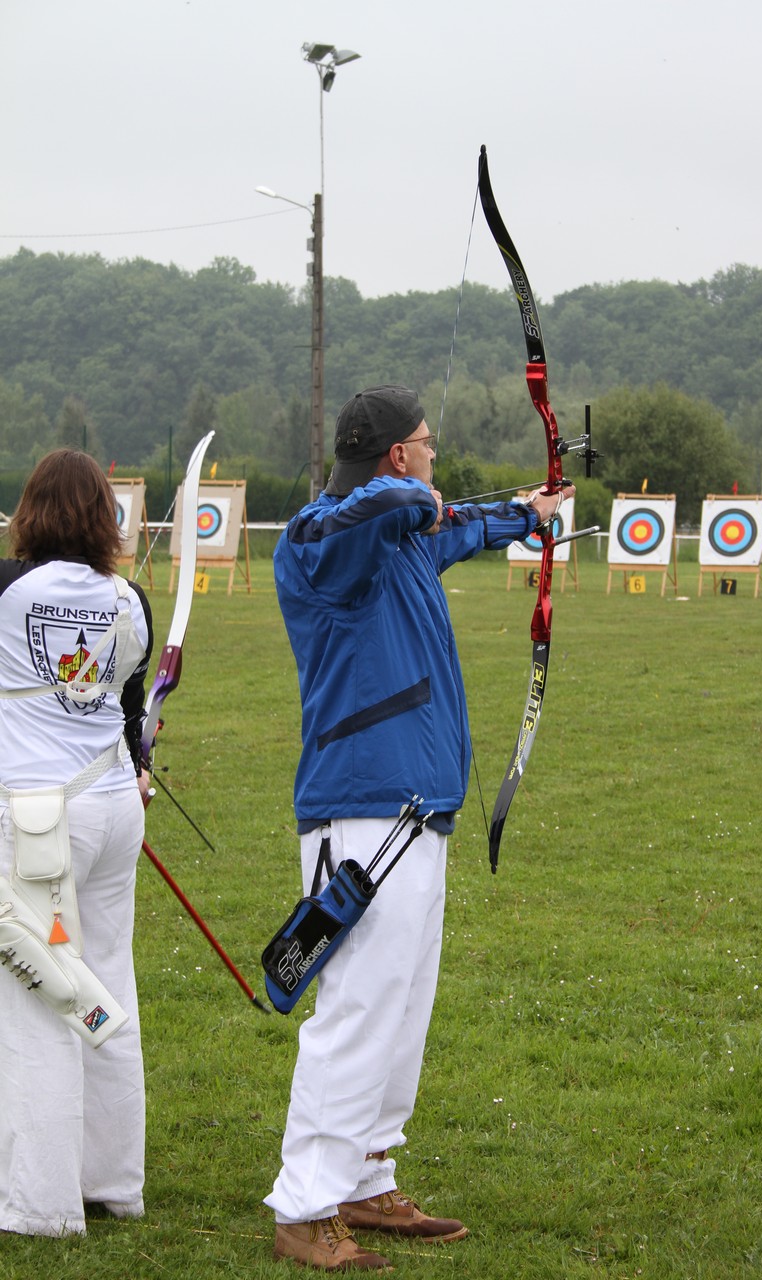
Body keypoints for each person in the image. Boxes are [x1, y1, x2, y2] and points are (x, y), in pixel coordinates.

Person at [267, 385, 572, 1270]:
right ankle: (303, 1205)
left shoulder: (400, 538)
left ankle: (366, 1175)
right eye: (427, 445)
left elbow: (461, 525)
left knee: (401, 1006)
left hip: (417, 805)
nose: (434, 457)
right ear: (397, 455)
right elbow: (394, 507)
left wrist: (525, 513)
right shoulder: (320, 541)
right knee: (357, 1006)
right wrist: (420, 497)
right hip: (361, 810)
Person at [0, 449, 153, 1237]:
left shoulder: (5, 588)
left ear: (30, 511)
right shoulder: (130, 601)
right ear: (105, 518)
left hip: (37, 821)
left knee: (39, 999)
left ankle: (38, 1202)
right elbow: (129, 713)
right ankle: (110, 1179)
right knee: (101, 982)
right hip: (111, 809)